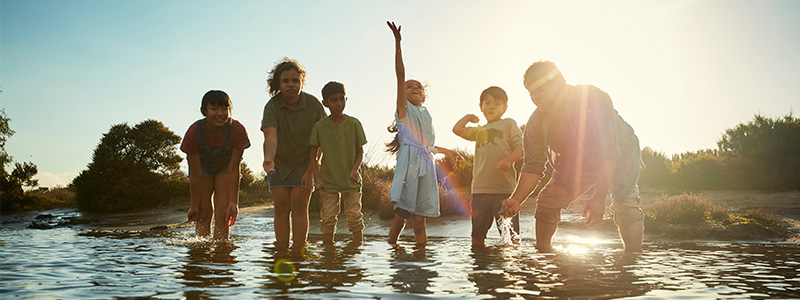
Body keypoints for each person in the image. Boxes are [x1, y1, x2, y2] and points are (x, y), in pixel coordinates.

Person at [500, 61, 645, 252]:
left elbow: (608, 151)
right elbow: (532, 167)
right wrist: (516, 199)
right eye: (531, 92)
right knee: (547, 202)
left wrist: (599, 198)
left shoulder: (591, 97)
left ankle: (631, 261)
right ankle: (544, 256)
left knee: (625, 204)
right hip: (575, 163)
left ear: (560, 82)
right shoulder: (535, 122)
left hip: (618, 154)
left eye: (541, 88)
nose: (536, 96)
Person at [386, 21, 459, 246]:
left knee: (420, 218)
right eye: (410, 86)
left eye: (418, 86)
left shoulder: (426, 114)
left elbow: (428, 145)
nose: (415, 87)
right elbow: (400, 74)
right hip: (408, 164)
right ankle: (393, 248)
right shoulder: (403, 110)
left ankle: (421, 256)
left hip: (425, 164)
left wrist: (449, 151)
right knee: (402, 216)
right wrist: (398, 44)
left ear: (424, 95)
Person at [261, 58, 327, 249]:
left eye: (295, 80)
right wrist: (268, 160)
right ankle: (281, 250)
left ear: (301, 82)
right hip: (279, 162)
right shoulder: (272, 106)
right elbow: (270, 137)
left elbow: (320, 143)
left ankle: (299, 250)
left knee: (299, 205)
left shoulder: (314, 104)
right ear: (278, 84)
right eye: (286, 81)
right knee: (281, 207)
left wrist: (311, 171)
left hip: (306, 163)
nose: (291, 84)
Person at [452, 86, 524, 247]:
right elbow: (457, 129)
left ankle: (513, 267)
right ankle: (479, 267)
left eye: (497, 104)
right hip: (480, 191)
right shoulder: (479, 131)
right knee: (477, 236)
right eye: (488, 103)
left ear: (505, 108)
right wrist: (468, 117)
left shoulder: (508, 124)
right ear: (481, 107)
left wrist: (508, 160)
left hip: (504, 191)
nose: (491, 107)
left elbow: (520, 150)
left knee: (511, 236)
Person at [181, 90, 251, 239]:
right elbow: (196, 175)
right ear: (204, 111)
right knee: (203, 212)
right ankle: (201, 253)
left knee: (223, 213)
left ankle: (222, 252)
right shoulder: (194, 132)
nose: (220, 113)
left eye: (224, 109)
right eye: (214, 109)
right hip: (202, 169)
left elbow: (233, 169)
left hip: (225, 168)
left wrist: (234, 203)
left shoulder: (237, 130)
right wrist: (194, 206)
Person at [308, 81, 368, 245]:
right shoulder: (320, 127)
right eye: (334, 100)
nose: (339, 103)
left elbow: (360, 152)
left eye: (342, 99)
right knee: (328, 217)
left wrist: (354, 170)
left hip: (351, 180)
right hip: (328, 181)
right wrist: (317, 178)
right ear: (325, 103)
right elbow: (312, 155)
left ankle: (357, 249)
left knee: (355, 216)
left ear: (346, 99)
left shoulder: (354, 123)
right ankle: (329, 253)